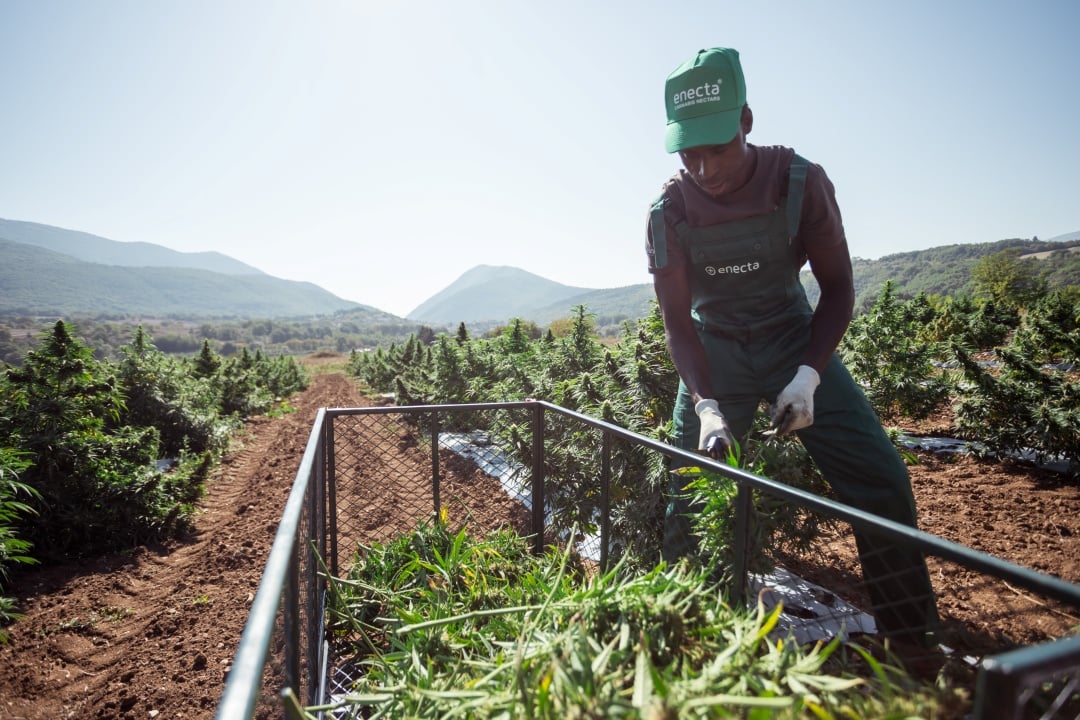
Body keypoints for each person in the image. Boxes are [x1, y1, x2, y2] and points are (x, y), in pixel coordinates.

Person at [646, 47, 939, 645]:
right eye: (688, 152)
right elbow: (679, 322)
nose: (703, 168)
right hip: (713, 352)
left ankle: (913, 643)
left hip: (792, 338)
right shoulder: (668, 211)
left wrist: (808, 376)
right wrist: (705, 408)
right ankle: (688, 641)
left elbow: (837, 290)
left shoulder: (799, 182)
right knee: (692, 495)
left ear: (746, 121)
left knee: (882, 481)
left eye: (717, 147)